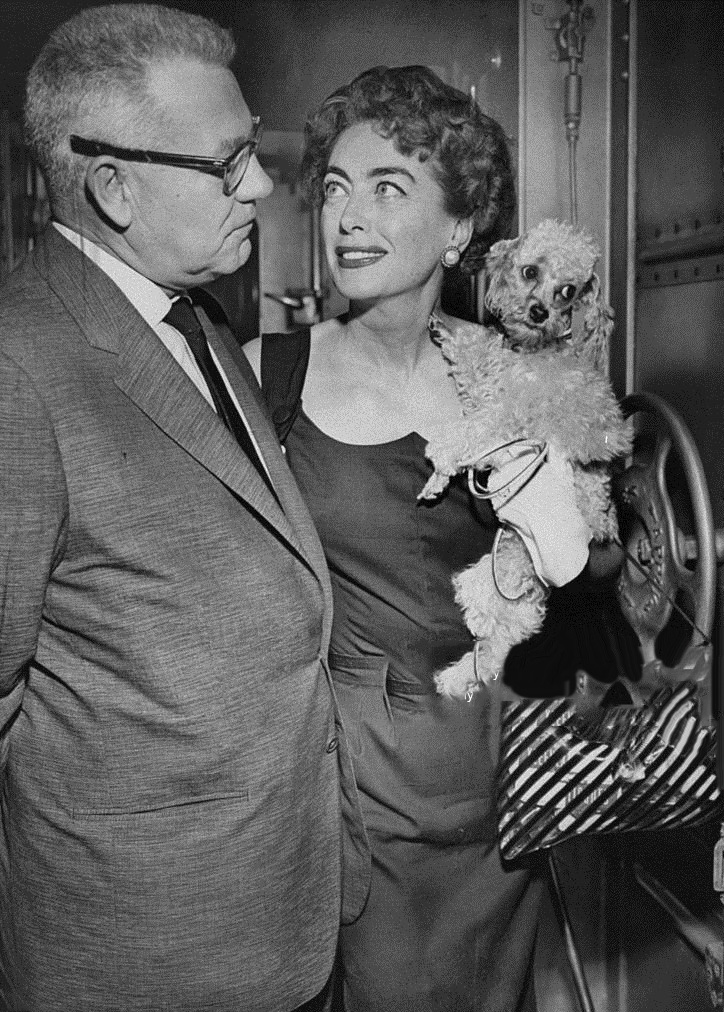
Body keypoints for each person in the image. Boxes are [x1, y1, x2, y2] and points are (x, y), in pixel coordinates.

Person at [0, 6, 369, 1011]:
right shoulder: (17, 366)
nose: (259, 184)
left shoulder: (194, 315)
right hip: (143, 959)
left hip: (274, 917)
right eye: (227, 162)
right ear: (114, 186)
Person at [245, 65, 595, 1011]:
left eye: (388, 189)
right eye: (334, 189)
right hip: (357, 802)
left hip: (507, 785)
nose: (347, 218)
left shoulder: (513, 370)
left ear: (459, 227)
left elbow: (586, 559)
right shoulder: (263, 375)